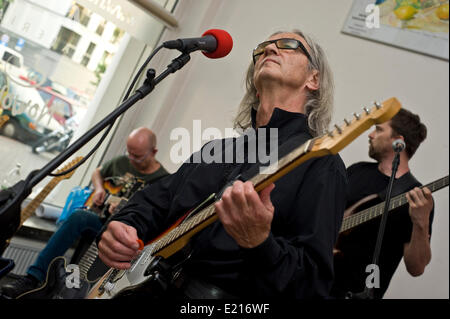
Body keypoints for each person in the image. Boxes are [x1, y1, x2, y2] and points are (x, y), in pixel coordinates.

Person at [96, 30, 348, 298]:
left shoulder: (320, 162)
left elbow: (313, 285)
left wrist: (262, 244)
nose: (270, 49)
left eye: (288, 45)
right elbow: (155, 200)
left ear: (313, 79)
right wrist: (123, 225)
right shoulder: (216, 149)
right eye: (263, 47)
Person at [0, 127, 169, 298]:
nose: (131, 159)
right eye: (129, 152)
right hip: (102, 221)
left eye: (137, 156)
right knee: (78, 217)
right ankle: (33, 279)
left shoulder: (163, 181)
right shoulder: (121, 162)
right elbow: (98, 172)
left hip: (127, 236)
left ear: (153, 152)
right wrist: (99, 189)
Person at [331, 108, 434, 299]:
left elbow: (416, 268)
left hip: (354, 294)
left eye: (378, 130)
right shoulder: (357, 171)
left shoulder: (416, 198)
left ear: (398, 142)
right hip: (316, 282)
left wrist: (421, 223)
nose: (370, 135)